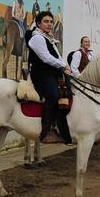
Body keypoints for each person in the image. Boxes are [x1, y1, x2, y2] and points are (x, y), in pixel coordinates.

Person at [28, 11, 72, 144]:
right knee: (53, 95)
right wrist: (63, 66)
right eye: (46, 21)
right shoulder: (37, 38)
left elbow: (57, 57)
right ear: (38, 24)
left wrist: (67, 68)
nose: (49, 24)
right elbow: (46, 58)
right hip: (41, 73)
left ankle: (64, 129)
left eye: (51, 22)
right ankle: (46, 132)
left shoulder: (49, 39)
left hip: (52, 73)